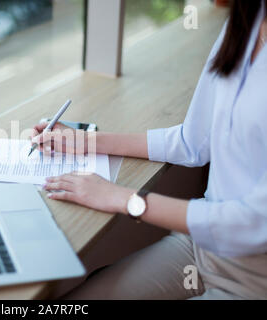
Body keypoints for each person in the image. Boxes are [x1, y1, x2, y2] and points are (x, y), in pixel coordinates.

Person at [31, 0, 267, 300]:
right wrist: (87, 141)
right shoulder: (246, 22)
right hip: (201, 249)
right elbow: (193, 140)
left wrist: (123, 199)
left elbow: (253, 224)